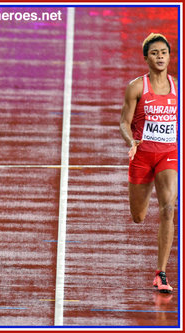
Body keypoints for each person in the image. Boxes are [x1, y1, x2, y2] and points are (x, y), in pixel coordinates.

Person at [119, 33, 177, 293]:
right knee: (138, 216)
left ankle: (161, 274)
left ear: (169, 56)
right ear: (146, 58)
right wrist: (130, 141)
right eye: (154, 53)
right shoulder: (136, 87)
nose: (160, 56)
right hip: (142, 155)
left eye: (163, 52)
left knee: (168, 208)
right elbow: (123, 121)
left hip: (168, 155)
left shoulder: (179, 88)